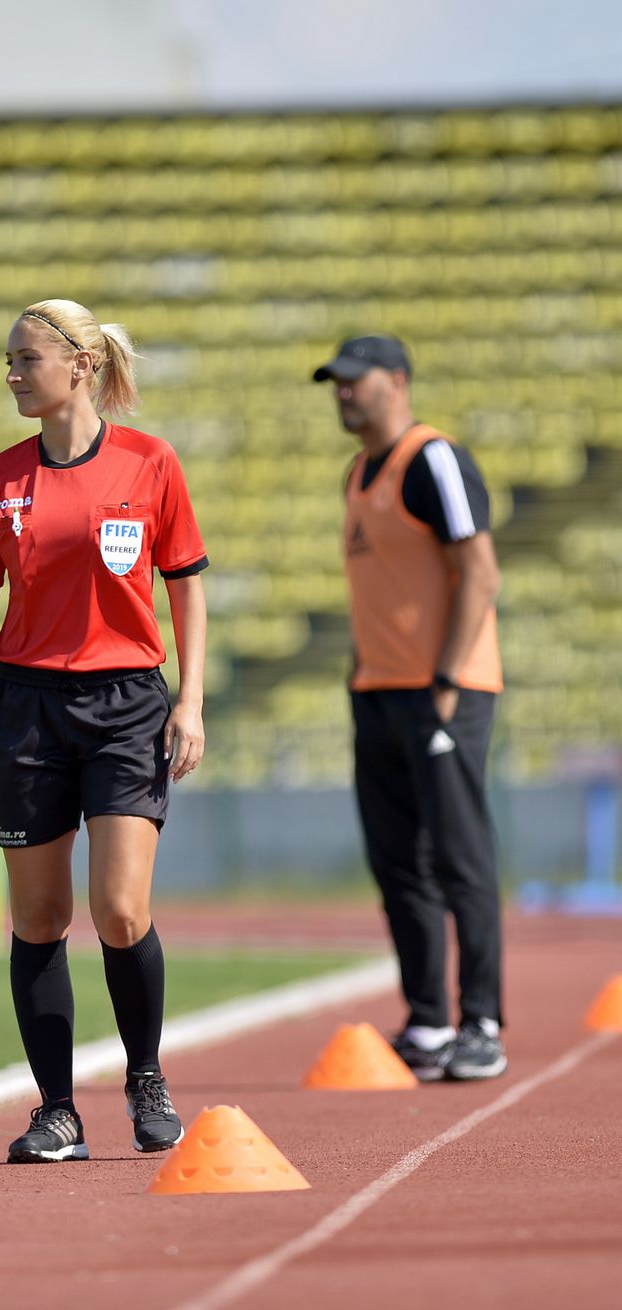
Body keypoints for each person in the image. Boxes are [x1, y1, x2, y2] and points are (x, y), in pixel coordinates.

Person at [0, 299, 208, 1162]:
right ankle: (57, 1111)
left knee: (121, 910)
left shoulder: (151, 463)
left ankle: (146, 1078)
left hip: (127, 703)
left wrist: (188, 700)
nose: (12, 373)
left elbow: (186, 586)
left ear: (80, 367)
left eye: (26, 359)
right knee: (41, 915)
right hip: (25, 710)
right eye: (8, 360)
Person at [313, 334, 506, 1082]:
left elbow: (479, 573)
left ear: (397, 382)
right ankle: (428, 1022)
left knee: (460, 858)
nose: (343, 393)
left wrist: (449, 680)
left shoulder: (434, 460)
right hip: (378, 693)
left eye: (356, 381)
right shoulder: (356, 474)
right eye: (335, 383)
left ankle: (481, 1021)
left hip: (442, 692)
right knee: (398, 864)